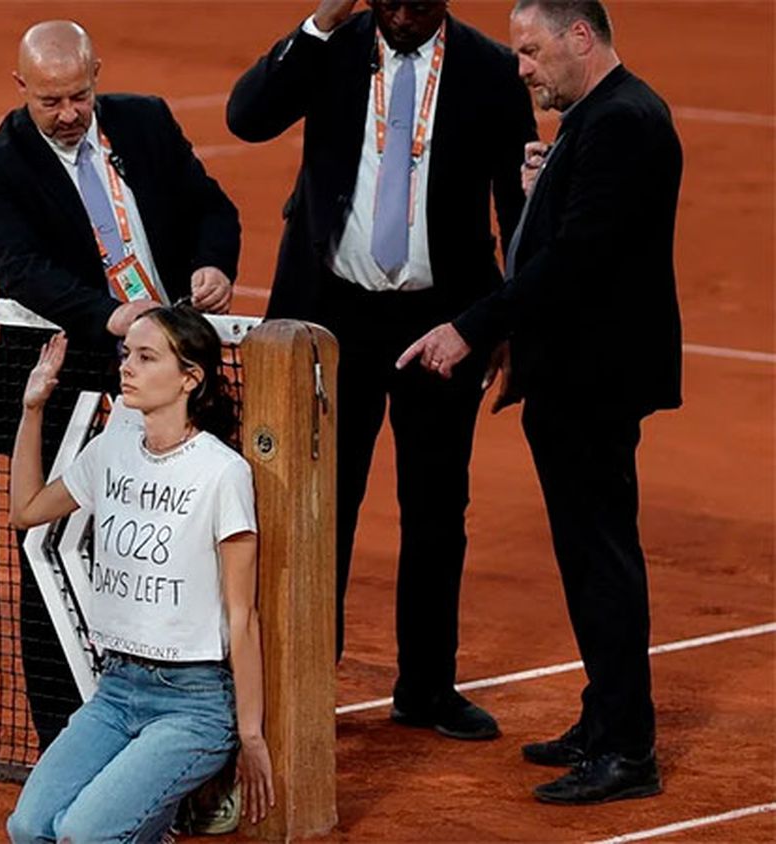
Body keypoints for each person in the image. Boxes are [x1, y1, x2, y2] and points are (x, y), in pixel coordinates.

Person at [225, 0, 537, 741]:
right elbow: (248, 117)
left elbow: (518, 204)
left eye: (415, 1)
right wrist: (318, 22)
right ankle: (306, 681)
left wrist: (503, 321)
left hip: (443, 324)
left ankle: (426, 687)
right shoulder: (333, 47)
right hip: (330, 321)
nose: (398, 12)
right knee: (321, 508)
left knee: (436, 511)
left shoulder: (492, 70)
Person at [398, 0, 680, 804]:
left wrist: (471, 328)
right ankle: (605, 718)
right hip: (572, 377)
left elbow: (577, 260)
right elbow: (561, 235)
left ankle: (628, 750)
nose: (520, 67)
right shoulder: (599, 116)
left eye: (531, 51)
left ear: (580, 38)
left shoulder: (624, 121)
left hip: (595, 380)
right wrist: (543, 184)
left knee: (602, 564)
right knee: (587, 558)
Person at [0, 20, 241, 752]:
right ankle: (64, 736)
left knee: (184, 553)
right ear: (21, 89)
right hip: (74, 385)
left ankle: (187, 732)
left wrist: (214, 263)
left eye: (79, 95)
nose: (68, 113)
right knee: (51, 558)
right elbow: (20, 268)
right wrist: (112, 316)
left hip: (174, 382)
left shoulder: (144, 122)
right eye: (50, 100)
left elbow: (214, 205)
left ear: (96, 77)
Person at [4, 305, 275, 843]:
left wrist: (251, 735)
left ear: (190, 378)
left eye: (147, 357)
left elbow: (242, 616)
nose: (127, 366)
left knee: (83, 835)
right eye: (127, 353)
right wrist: (32, 408)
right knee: (29, 827)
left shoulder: (223, 473)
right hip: (116, 689)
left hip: (193, 704)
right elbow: (27, 510)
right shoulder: (112, 450)